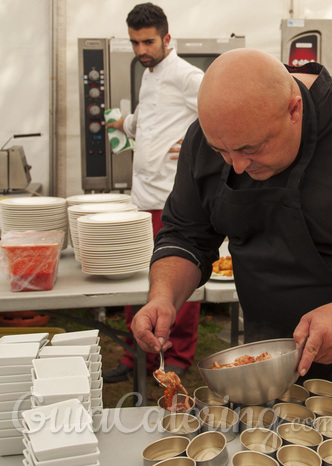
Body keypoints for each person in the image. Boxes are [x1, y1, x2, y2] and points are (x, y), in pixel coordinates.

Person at [131, 48, 332, 383]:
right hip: (270, 363)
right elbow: (185, 234)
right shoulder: (210, 137)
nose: (237, 165)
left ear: (294, 110)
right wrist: (164, 297)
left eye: (251, 149)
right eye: (221, 152)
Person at [103, 2, 204, 383]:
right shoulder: (150, 75)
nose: (141, 50)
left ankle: (178, 355)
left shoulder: (185, 74)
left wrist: (202, 140)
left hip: (171, 200)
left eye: (148, 41)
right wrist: (123, 122)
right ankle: (136, 356)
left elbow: (220, 107)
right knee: (137, 278)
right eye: (135, 43)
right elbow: (149, 120)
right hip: (141, 198)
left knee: (176, 278)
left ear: (167, 38)